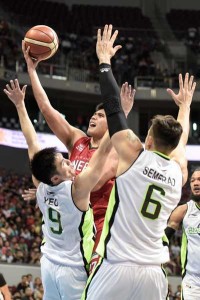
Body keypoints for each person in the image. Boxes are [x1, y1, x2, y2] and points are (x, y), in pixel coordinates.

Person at [81, 24, 196, 300]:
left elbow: (112, 105)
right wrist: (185, 106)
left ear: (150, 141)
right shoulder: (178, 170)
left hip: (116, 267)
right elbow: (181, 138)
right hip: (154, 273)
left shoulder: (134, 154)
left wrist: (105, 62)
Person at [22, 40, 135, 255]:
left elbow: (93, 183)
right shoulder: (78, 140)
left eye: (102, 115)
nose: (94, 116)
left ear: (111, 121)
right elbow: (46, 109)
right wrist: (31, 70)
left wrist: (49, 186)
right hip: (71, 223)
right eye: (94, 113)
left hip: (99, 227)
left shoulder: (114, 150)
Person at [4, 78, 112, 300]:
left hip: (48, 262)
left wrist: (20, 105)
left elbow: (31, 140)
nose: (70, 162)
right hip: (73, 268)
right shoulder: (78, 191)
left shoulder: (41, 186)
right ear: (55, 177)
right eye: (64, 163)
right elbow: (100, 156)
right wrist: (119, 118)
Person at [166, 168, 200, 300]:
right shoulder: (183, 210)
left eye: (199, 180)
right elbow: (164, 238)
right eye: (192, 180)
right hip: (193, 281)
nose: (195, 183)